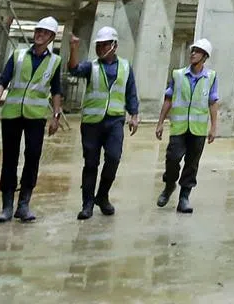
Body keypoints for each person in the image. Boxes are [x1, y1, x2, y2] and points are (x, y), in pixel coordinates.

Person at [0, 16, 64, 223]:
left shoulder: (55, 61)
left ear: (51, 37)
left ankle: (23, 204)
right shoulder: (18, 55)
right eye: (38, 30)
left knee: (32, 157)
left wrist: (56, 117)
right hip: (12, 113)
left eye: (44, 32)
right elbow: (2, 81)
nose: (39, 34)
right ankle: (6, 206)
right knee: (10, 158)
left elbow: (57, 91)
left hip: (36, 116)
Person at [67, 26, 139, 220]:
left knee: (114, 158)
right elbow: (73, 69)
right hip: (92, 122)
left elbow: (130, 91)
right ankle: (87, 204)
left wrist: (134, 114)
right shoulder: (92, 66)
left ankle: (102, 196)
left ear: (114, 46)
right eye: (98, 45)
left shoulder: (125, 66)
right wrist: (73, 49)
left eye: (104, 44)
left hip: (115, 120)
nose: (100, 48)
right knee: (91, 163)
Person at [154, 38, 218, 214]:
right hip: (179, 127)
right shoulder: (178, 74)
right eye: (192, 50)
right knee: (172, 159)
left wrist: (213, 127)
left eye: (197, 51)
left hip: (198, 130)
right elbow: (168, 99)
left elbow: (213, 102)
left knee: (192, 164)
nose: (193, 53)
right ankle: (169, 186)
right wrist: (160, 123)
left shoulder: (210, 77)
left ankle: (184, 197)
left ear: (204, 56)